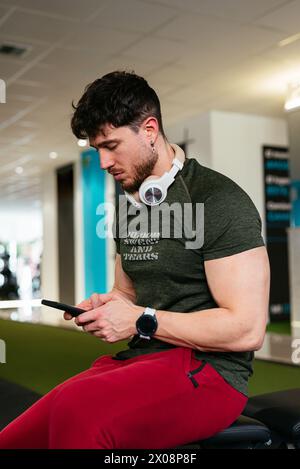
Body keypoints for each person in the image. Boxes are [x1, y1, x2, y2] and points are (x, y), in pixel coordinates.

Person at [0, 71, 270, 449]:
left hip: (210, 374)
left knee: (78, 413)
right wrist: (108, 307)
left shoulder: (218, 199)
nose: (103, 162)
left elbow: (247, 329)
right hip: (141, 360)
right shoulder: (129, 209)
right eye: (96, 148)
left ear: (149, 129)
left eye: (111, 145)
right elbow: (126, 296)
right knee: (18, 436)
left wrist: (142, 319)